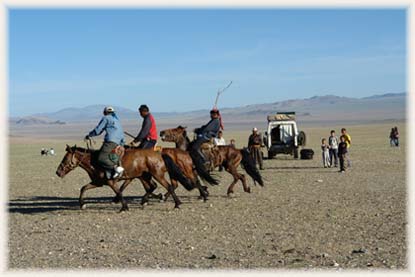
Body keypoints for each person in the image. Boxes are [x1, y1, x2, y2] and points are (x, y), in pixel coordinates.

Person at [85, 106, 125, 179]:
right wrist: (122, 144)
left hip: (110, 141)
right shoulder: (117, 120)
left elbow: (98, 130)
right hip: (118, 142)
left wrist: (89, 135)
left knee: (101, 158)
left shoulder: (106, 118)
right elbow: (121, 132)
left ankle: (116, 168)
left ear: (105, 112)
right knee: (110, 156)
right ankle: (109, 173)